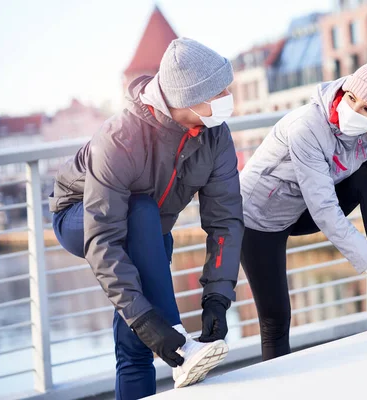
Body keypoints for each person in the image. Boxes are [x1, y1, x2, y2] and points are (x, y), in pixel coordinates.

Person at [49, 38, 243, 397]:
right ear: (187, 97)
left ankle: (172, 346)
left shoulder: (216, 136)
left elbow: (225, 220)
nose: (229, 95)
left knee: (137, 346)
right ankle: (183, 349)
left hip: (150, 228)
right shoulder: (121, 137)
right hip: (81, 218)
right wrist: (145, 319)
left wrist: (217, 297)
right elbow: (102, 238)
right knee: (140, 216)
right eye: (220, 91)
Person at [239, 56, 367, 361]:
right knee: (276, 318)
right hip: (258, 217)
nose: (353, 110)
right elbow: (324, 209)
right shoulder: (306, 127)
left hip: (301, 209)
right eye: (351, 98)